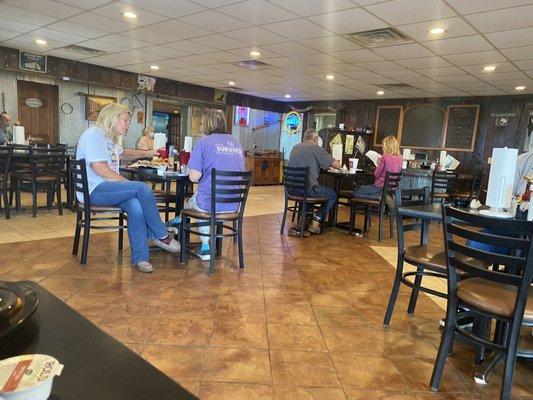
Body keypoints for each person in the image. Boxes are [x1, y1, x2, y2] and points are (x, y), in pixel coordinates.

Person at [76, 103, 180, 273]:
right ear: (112, 117)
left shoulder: (108, 138)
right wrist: (128, 183)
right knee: (141, 189)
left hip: (108, 188)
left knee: (135, 205)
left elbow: (124, 153)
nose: (127, 124)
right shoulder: (93, 136)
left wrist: (148, 153)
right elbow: (100, 169)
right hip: (94, 191)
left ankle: (140, 258)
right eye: (125, 120)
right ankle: (161, 234)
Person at [185, 109, 244, 260]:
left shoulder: (203, 142)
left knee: (195, 201)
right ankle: (178, 219)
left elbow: (193, 177)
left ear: (207, 125)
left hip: (208, 205)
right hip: (233, 205)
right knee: (203, 198)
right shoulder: (236, 143)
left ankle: (205, 246)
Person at [288, 128, 340, 235]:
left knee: (308, 189)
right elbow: (337, 165)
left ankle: (304, 221)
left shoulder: (295, 147)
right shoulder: (316, 148)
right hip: (308, 190)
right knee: (332, 194)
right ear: (316, 138)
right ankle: (316, 221)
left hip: (292, 189)